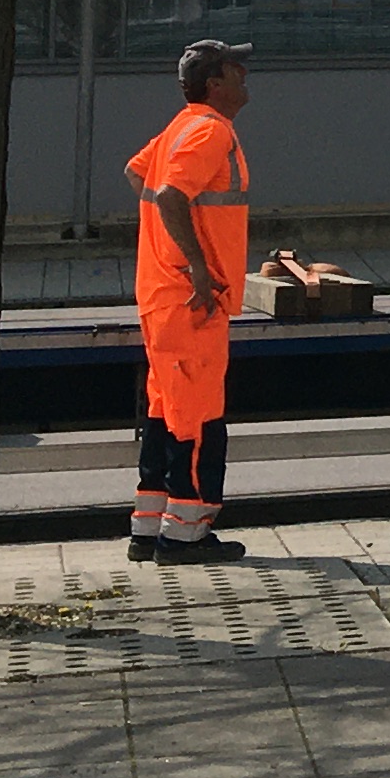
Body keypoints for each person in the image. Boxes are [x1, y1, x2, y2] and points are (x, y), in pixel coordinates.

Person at [129, 37, 254, 563]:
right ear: (215, 82)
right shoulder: (208, 131)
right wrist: (199, 265)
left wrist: (166, 249)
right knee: (199, 419)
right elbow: (172, 194)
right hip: (192, 298)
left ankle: (148, 524)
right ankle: (185, 535)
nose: (245, 74)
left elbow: (138, 173)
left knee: (166, 410)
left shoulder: (181, 127)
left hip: (162, 293)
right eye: (235, 68)